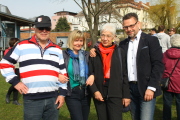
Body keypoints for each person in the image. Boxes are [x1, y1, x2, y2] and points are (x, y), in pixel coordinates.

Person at [0, 15, 67, 120]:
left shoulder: (57, 49)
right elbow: (5, 63)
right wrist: (16, 82)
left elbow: (63, 73)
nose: (44, 31)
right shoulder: (22, 45)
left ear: (50, 29)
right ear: (35, 29)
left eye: (47, 28)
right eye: (41, 28)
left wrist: (62, 94)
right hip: (32, 100)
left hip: (53, 99)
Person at [119, 13, 164, 120]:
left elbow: (158, 64)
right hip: (130, 89)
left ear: (138, 24)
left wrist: (152, 87)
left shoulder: (151, 40)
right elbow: (122, 69)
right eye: (126, 27)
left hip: (146, 87)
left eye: (131, 25)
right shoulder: (123, 44)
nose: (129, 29)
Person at [89, 23, 130, 120]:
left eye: (108, 36)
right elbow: (89, 73)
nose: (105, 38)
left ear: (114, 37)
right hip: (99, 91)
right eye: (103, 35)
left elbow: (124, 74)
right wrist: (95, 91)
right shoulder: (94, 53)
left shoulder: (120, 52)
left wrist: (126, 95)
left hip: (115, 92)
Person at [59, 30, 93, 120]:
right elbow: (53, 68)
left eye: (81, 40)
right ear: (71, 41)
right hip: (72, 93)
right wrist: (58, 75)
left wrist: (93, 75)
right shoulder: (64, 55)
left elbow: (94, 70)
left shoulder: (87, 55)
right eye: (76, 40)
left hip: (85, 92)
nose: (79, 43)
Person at [162, 34, 180, 120]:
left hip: (167, 82)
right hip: (179, 83)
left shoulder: (165, 54)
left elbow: (161, 68)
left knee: (167, 104)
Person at [4, 38, 21, 105]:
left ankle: (15, 100)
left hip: (18, 68)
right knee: (15, 84)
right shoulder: (8, 51)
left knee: (17, 83)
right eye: (16, 43)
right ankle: (8, 94)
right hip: (11, 70)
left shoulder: (19, 50)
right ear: (13, 43)